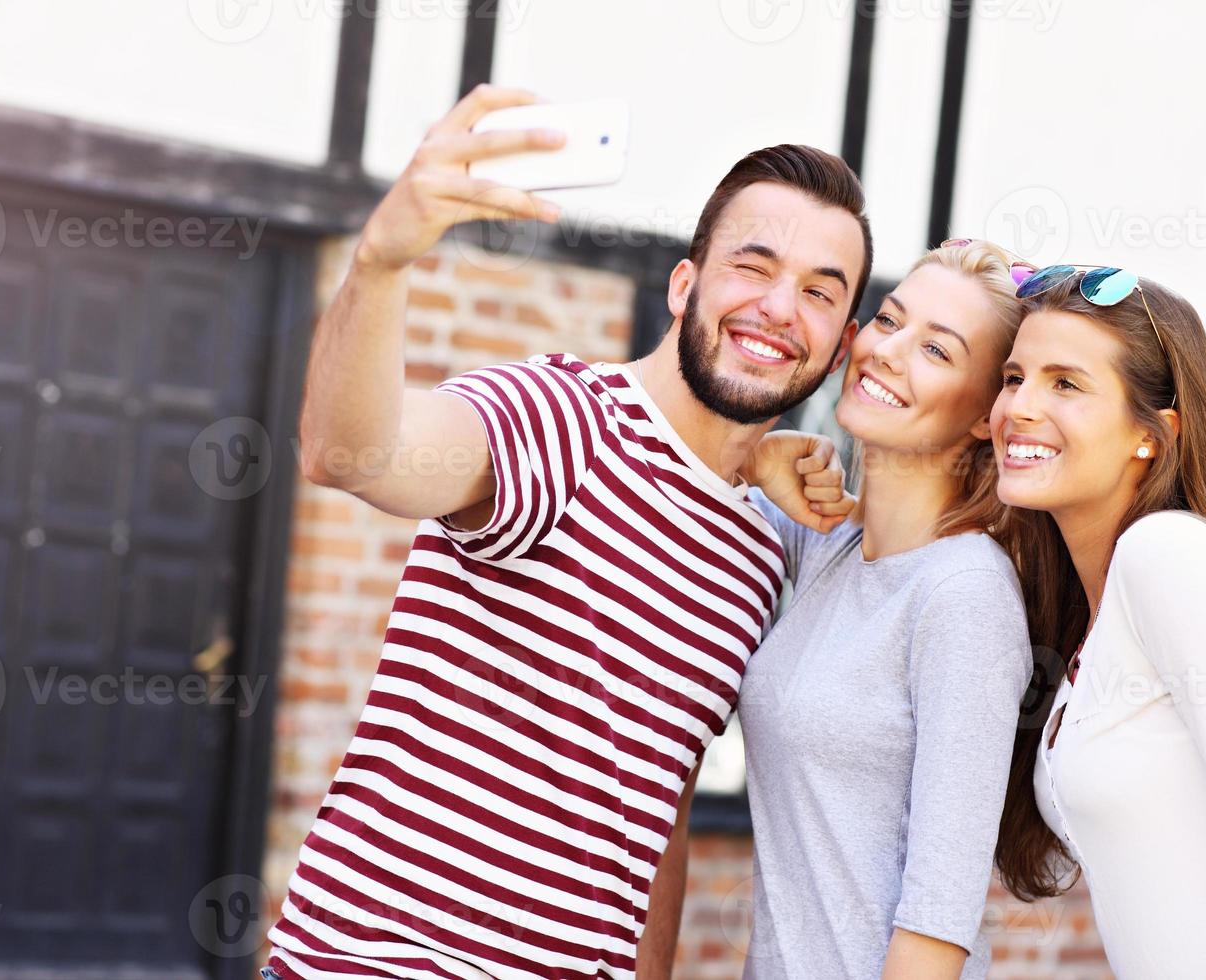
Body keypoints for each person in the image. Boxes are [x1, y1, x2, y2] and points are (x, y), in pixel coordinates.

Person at [262, 83, 867, 979]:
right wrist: (383, 263)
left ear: (842, 339)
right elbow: (350, 453)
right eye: (754, 265)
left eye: (819, 291)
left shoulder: (760, 547)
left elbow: (655, 807)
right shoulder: (561, 420)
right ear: (683, 284)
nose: (782, 308)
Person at [739, 240, 1038, 980]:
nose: (887, 351)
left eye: (936, 350)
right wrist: (753, 457)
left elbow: (939, 920)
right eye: (888, 320)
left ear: (982, 416)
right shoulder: (826, 547)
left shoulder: (964, 592)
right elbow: (666, 465)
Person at [991, 265, 1206, 979]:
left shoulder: (1169, 556)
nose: (1020, 406)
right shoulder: (1085, 624)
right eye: (1013, 378)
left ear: (1152, 437)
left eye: (1066, 383)